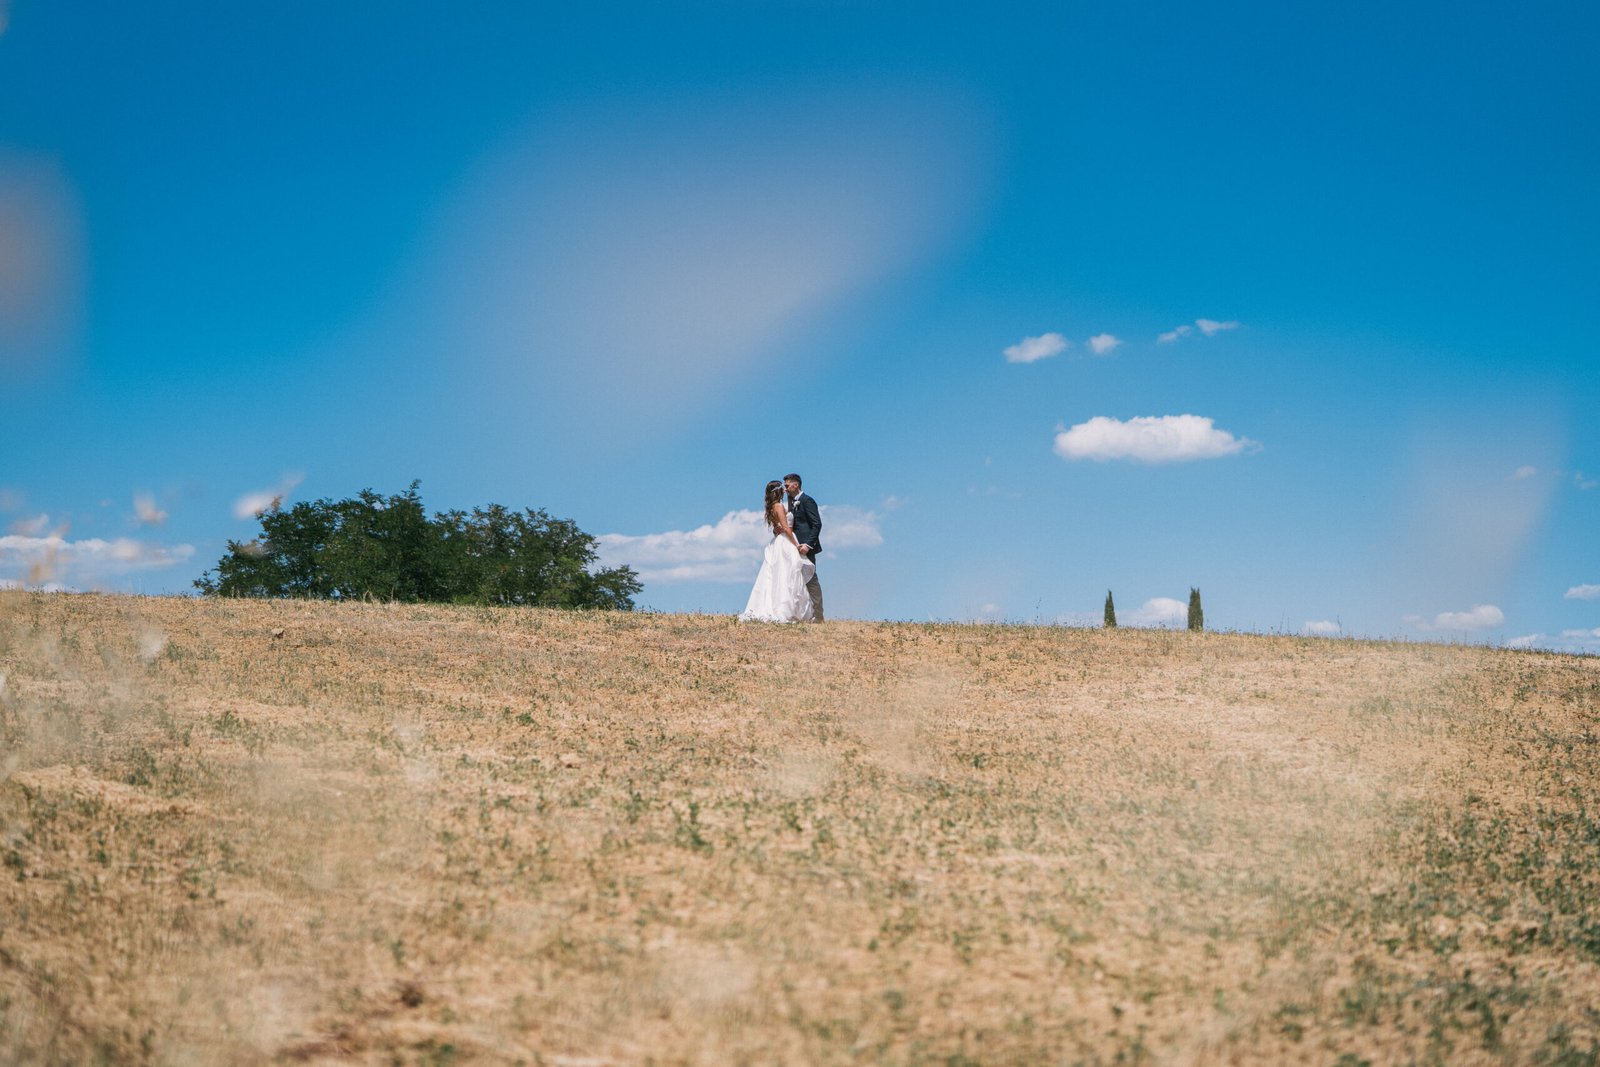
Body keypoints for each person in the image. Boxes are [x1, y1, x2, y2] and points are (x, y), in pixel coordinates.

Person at [738, 480, 816, 623]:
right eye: (783, 488)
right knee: (787, 575)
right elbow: (786, 528)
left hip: (779, 541)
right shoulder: (779, 506)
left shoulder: (771, 507)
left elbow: (778, 528)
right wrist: (796, 544)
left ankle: (784, 607)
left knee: (779, 575)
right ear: (779, 491)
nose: (785, 490)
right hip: (785, 542)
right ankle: (785, 610)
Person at [784, 473, 823, 622]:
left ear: (796, 485)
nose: (785, 489)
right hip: (793, 546)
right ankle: (802, 613)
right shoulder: (791, 502)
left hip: (806, 547)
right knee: (795, 579)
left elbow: (817, 524)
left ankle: (819, 616)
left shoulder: (807, 501)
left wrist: (808, 544)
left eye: (787, 485)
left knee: (811, 580)